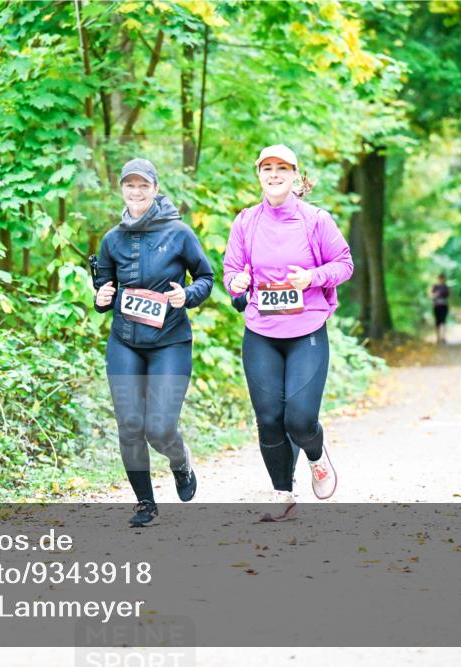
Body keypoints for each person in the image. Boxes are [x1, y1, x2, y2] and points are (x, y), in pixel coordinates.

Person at [223, 144, 353, 521]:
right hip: (261, 331)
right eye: (268, 168)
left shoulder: (315, 220)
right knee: (268, 417)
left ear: (296, 175)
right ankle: (283, 494)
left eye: (283, 168)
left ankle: (316, 456)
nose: (275, 174)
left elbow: (344, 264)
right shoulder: (246, 221)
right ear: (259, 175)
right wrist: (238, 281)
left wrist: (313, 277)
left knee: (298, 417)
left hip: (307, 328)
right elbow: (230, 273)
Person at [93, 158, 214, 527]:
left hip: (170, 341)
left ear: (155, 189)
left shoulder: (179, 233)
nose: (136, 191)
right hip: (125, 340)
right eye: (130, 185)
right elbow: (104, 287)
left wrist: (187, 296)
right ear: (122, 190)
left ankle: (181, 462)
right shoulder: (112, 239)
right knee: (130, 424)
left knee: (159, 427)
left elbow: (206, 277)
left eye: (143, 185)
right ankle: (145, 502)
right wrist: (100, 298)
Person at [430, 273, 450, 344]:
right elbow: (431, 295)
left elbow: (447, 294)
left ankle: (443, 337)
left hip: (444, 306)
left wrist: (437, 294)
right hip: (437, 306)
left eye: (442, 278)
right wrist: (435, 295)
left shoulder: (446, 287)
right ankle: (438, 337)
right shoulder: (435, 286)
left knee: (443, 321)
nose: (441, 280)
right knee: (437, 322)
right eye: (440, 278)